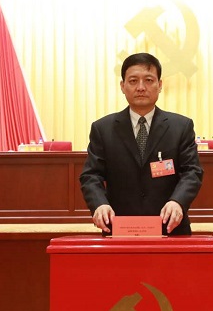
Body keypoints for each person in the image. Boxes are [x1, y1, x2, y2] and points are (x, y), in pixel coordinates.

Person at [80, 53, 203, 235]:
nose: (141, 87)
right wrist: (100, 204)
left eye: (148, 80)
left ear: (159, 85)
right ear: (122, 86)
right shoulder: (103, 129)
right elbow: (91, 175)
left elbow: (192, 172)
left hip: (170, 227)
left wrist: (177, 201)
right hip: (119, 228)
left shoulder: (181, 127)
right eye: (133, 81)